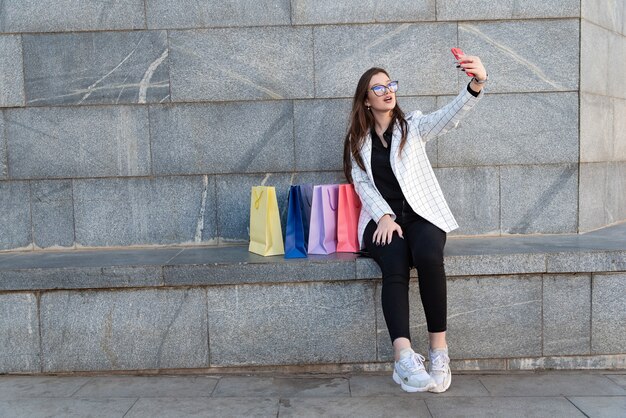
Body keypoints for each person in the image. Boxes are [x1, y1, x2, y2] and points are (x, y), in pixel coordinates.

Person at [342, 52, 487, 393]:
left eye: (390, 84)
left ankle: (439, 353)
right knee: (393, 262)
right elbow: (361, 184)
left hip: (422, 215)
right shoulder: (356, 141)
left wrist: (477, 83)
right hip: (382, 221)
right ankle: (404, 358)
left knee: (427, 256)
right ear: (366, 99)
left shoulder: (414, 125)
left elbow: (449, 117)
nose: (387, 91)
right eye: (378, 88)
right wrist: (385, 216)